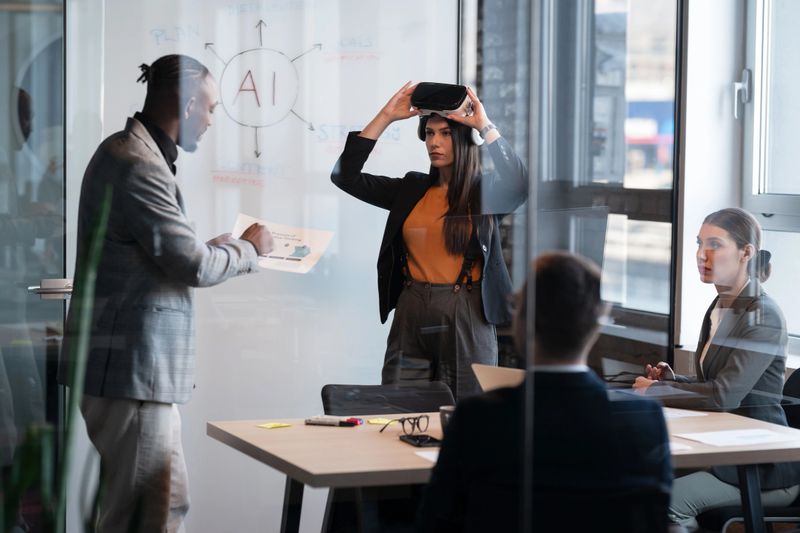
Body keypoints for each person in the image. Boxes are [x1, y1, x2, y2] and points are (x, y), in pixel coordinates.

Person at [58, 54, 274, 533]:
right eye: (212, 108)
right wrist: (248, 249)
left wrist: (213, 245)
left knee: (151, 508)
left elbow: (163, 249)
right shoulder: (137, 163)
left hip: (131, 375)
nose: (214, 120)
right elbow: (191, 265)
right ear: (190, 103)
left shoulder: (129, 153)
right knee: (146, 514)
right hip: (132, 375)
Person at [417, 252, 673, 532]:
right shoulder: (644, 419)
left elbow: (437, 523)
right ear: (595, 326)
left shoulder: (478, 418)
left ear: (521, 321)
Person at [331, 82, 527, 400]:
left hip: (465, 312)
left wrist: (483, 125)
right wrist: (386, 116)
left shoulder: (485, 193)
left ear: (464, 140)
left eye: (445, 134)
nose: (434, 142)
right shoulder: (411, 188)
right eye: (430, 133)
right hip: (411, 308)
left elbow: (520, 184)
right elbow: (345, 176)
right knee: (398, 408)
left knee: (467, 411)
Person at [633, 207, 800, 530]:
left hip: (762, 468)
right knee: (635, 479)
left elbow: (725, 395)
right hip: (724, 451)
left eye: (714, 245)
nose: (701, 254)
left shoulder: (762, 314)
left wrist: (656, 391)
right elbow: (715, 382)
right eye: (699, 244)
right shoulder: (721, 305)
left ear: (746, 253)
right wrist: (674, 380)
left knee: (660, 502)